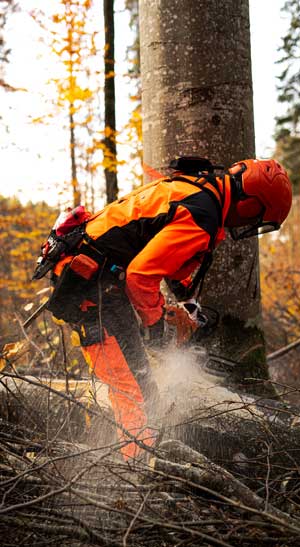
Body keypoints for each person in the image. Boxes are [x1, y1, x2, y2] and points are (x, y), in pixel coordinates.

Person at [33, 156, 292, 460]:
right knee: (136, 395)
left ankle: (138, 462)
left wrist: (188, 308)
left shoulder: (199, 188)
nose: (249, 224)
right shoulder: (204, 214)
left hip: (96, 276)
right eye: (255, 217)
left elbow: (163, 253)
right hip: (91, 284)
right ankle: (135, 476)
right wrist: (156, 329)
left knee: (136, 386)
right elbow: (140, 276)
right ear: (249, 205)